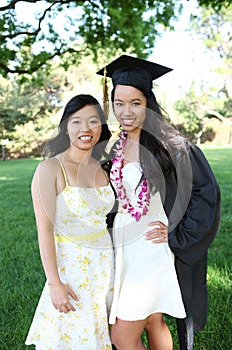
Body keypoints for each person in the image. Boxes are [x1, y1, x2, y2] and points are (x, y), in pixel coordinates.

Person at [97, 55, 221, 350]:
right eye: (119, 103)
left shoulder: (172, 145)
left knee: (121, 337)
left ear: (148, 103)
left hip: (151, 248)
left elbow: (207, 194)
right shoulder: (119, 144)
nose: (126, 111)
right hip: (125, 244)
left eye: (135, 103)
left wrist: (178, 234)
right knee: (153, 321)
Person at [25, 94, 115, 349]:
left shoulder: (104, 168)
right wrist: (55, 283)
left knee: (102, 336)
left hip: (105, 267)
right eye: (76, 121)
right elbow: (44, 229)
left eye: (93, 121)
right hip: (72, 270)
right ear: (66, 126)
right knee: (75, 336)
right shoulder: (51, 169)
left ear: (101, 126)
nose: (85, 129)